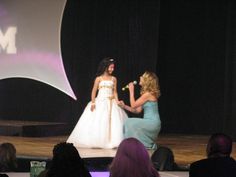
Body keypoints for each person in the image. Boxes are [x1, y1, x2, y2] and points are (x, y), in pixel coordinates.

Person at [67, 57, 128, 149]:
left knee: (114, 121)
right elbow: (93, 91)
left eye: (113, 67)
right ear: (105, 67)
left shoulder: (113, 79)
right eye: (111, 67)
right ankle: (97, 141)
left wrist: (117, 100)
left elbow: (115, 91)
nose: (112, 69)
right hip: (100, 101)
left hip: (111, 101)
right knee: (99, 121)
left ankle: (112, 141)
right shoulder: (98, 79)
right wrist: (93, 102)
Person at [119, 71, 161, 149]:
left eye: (142, 76)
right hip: (148, 122)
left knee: (129, 122)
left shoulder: (148, 94)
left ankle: (130, 145)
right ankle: (134, 145)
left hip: (152, 123)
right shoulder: (146, 94)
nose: (140, 77)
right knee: (129, 122)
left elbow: (133, 105)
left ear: (146, 81)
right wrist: (124, 106)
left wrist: (131, 91)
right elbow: (137, 111)